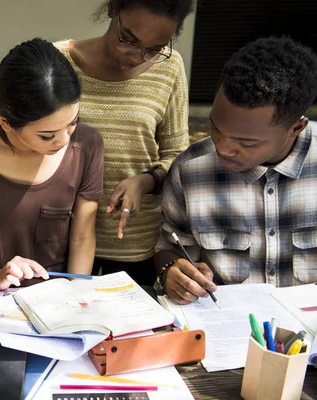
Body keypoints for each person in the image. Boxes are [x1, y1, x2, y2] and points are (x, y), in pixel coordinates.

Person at [155, 36, 317, 304]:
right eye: (216, 128)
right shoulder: (190, 170)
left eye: (247, 143)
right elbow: (169, 248)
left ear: (296, 128)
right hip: (226, 330)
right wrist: (173, 271)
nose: (223, 148)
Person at [0, 38, 104, 290]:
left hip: (57, 299)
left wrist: (74, 296)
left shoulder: (87, 145)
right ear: (5, 122)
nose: (65, 140)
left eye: (73, 122)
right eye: (47, 135)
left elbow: (82, 236)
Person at [55, 0, 193, 285]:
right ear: (112, 10)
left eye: (155, 49)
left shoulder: (170, 68)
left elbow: (177, 156)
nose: (136, 56)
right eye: (128, 39)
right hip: (61, 237)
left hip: (135, 242)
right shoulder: (57, 62)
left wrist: (145, 182)